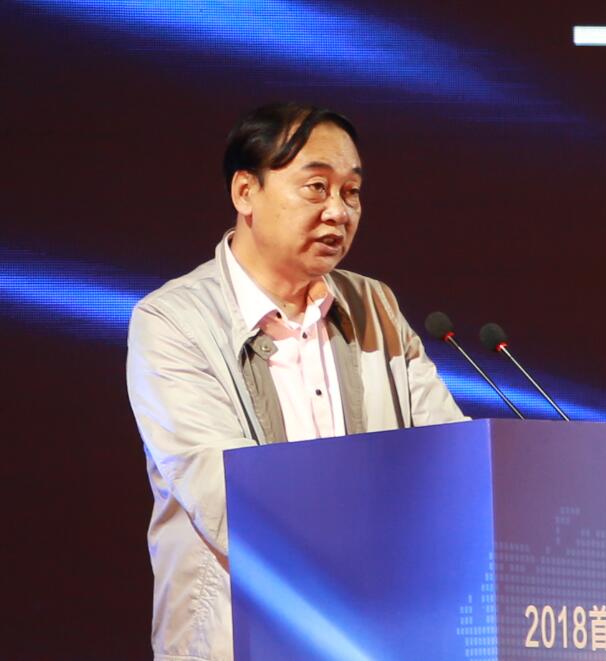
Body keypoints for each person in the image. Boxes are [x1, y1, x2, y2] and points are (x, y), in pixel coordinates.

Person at [126, 102, 466, 661]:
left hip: (381, 634)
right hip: (240, 637)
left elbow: (447, 458)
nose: (338, 211)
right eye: (316, 187)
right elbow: (223, 496)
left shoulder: (375, 305)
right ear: (246, 192)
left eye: (352, 192)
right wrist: (382, 542)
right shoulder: (173, 321)